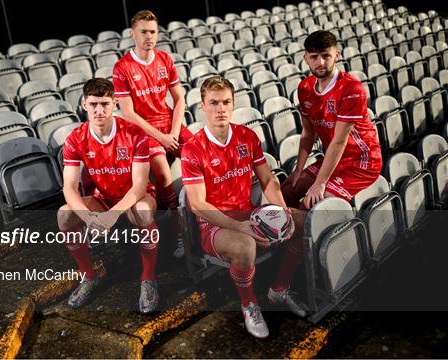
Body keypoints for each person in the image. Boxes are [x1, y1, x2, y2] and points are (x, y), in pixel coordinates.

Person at [181, 76, 307, 339]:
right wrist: (240, 227)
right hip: (214, 224)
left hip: (248, 214)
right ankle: (249, 304)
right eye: (213, 103)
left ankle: (279, 289)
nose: (220, 108)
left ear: (233, 103)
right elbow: (198, 204)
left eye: (226, 102)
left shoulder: (247, 136)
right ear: (202, 106)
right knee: (244, 246)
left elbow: (268, 180)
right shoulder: (193, 149)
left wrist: (282, 212)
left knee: (303, 221)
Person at [57, 78, 160, 313]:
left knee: (143, 212)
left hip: (136, 198)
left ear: (114, 103)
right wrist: (87, 218)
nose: (99, 110)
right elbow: (69, 188)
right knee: (64, 215)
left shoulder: (134, 134)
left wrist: (113, 215)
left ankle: (149, 278)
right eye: (93, 104)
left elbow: (139, 186)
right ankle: (89, 276)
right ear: (84, 105)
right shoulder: (75, 138)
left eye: (105, 103)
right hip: (103, 198)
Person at [113, 10, 192, 258]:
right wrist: (162, 137)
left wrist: (175, 131)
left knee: (200, 152)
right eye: (144, 32)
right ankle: (177, 230)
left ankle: (203, 215)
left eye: (153, 32)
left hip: (169, 122)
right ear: (132, 33)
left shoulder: (165, 59)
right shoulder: (122, 67)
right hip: (142, 129)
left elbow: (180, 99)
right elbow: (128, 114)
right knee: (162, 168)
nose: (149, 37)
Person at [282, 30, 382, 209]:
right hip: (336, 158)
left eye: (325, 56)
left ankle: (301, 234)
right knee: (288, 190)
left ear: (336, 55)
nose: (320, 62)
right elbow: (308, 133)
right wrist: (298, 170)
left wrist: (320, 182)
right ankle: (288, 233)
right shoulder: (304, 88)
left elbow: (338, 142)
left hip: (362, 161)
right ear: (305, 58)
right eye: (314, 57)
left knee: (310, 204)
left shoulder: (352, 89)